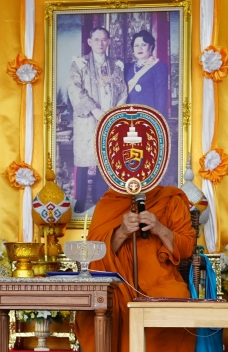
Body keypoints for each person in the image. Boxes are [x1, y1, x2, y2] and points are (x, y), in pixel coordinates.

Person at [75, 186, 197, 352]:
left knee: (177, 296)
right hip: (116, 277)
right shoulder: (109, 201)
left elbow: (186, 249)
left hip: (158, 276)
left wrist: (159, 229)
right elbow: (93, 253)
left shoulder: (170, 199)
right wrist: (121, 232)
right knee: (101, 305)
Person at [68, 26, 128, 213]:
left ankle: (101, 202)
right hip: (88, 119)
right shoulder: (80, 64)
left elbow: (123, 91)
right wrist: (94, 110)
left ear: (109, 41)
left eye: (104, 40)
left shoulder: (116, 66)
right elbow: (75, 90)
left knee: (105, 159)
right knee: (85, 160)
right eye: (97, 39)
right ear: (90, 42)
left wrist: (114, 113)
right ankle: (79, 205)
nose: (101, 43)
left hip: (109, 118)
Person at [125, 30, 169, 115]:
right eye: (136, 46)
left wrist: (157, 120)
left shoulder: (159, 67)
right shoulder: (127, 68)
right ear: (133, 49)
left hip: (149, 116)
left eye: (144, 45)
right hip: (129, 116)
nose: (139, 48)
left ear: (151, 47)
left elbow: (161, 98)